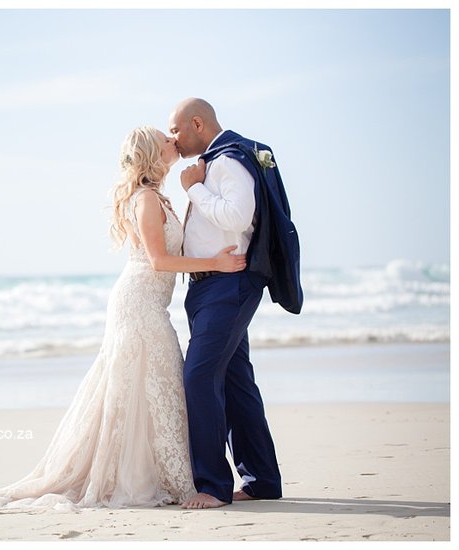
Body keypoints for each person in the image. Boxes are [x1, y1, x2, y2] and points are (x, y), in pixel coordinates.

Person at [0, 125, 246, 511]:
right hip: (137, 303)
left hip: (152, 304)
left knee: (156, 385)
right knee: (149, 383)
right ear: (152, 155)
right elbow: (158, 261)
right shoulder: (145, 200)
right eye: (165, 140)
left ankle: (164, 474)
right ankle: (155, 479)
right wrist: (216, 264)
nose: (174, 142)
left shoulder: (159, 197)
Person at [168, 98, 283, 510]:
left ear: (197, 123)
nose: (173, 138)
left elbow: (238, 216)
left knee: (198, 377)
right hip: (207, 288)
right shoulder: (213, 162)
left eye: (177, 130)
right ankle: (262, 481)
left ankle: (213, 485)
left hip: (228, 286)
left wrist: (193, 189)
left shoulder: (226, 161)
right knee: (235, 381)